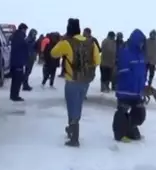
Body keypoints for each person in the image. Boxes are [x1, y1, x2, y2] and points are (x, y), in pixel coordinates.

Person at [50, 18, 101, 147]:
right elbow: (98, 61)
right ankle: (72, 129)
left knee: (72, 106)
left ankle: (74, 137)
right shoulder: (91, 42)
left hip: (72, 80)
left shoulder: (67, 42)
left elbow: (53, 54)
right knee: (78, 105)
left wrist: (62, 41)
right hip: (86, 80)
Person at [112, 29, 148, 142]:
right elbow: (122, 71)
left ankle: (130, 128)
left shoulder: (141, 55)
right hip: (126, 90)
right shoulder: (125, 52)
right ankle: (119, 134)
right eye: (141, 41)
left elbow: (142, 72)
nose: (142, 44)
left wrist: (143, 85)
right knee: (122, 112)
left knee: (140, 114)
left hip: (137, 91)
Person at [9, 23, 29, 101]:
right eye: (25, 30)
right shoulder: (20, 37)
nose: (26, 32)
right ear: (23, 29)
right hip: (18, 61)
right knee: (17, 80)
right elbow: (22, 49)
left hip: (15, 61)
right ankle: (15, 96)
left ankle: (13, 95)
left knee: (15, 79)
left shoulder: (15, 36)